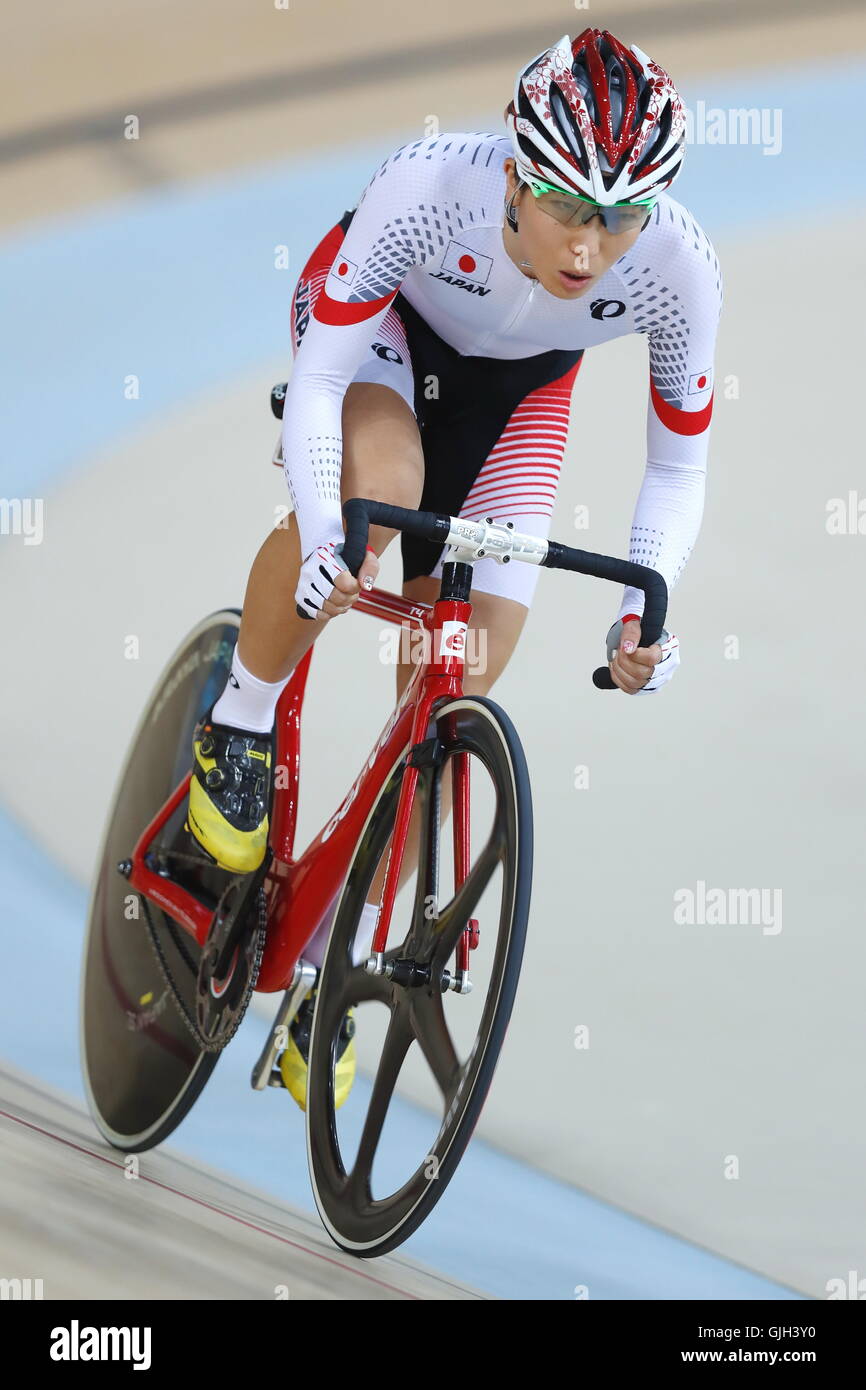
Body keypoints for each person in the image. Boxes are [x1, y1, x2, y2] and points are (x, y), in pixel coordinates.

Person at [185, 27, 723, 1108]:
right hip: (381, 343)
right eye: (569, 208)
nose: (589, 248)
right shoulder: (431, 190)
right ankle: (237, 721)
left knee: (457, 674)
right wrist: (326, 528)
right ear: (519, 178)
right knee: (377, 483)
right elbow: (325, 377)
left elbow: (676, 468)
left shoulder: (676, 266)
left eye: (619, 219)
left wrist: (640, 613)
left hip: (517, 399)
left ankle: (327, 972)